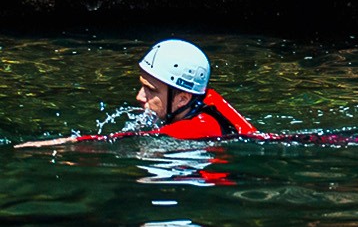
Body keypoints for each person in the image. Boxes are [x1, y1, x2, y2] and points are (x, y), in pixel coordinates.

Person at [15, 38, 255, 148]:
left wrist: (72, 144)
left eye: (150, 90)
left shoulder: (196, 129)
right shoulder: (201, 99)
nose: (139, 97)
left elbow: (124, 140)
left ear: (183, 98)